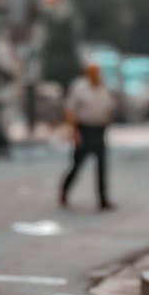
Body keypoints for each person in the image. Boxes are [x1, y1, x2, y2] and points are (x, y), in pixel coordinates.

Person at [60, 62, 117, 210]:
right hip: (84, 130)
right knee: (78, 164)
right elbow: (70, 111)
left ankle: (103, 200)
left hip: (99, 131)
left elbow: (109, 108)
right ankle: (64, 191)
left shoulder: (103, 89)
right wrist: (74, 132)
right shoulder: (79, 89)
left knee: (101, 167)